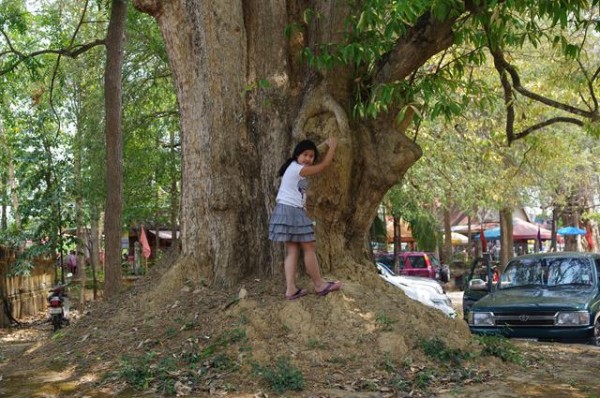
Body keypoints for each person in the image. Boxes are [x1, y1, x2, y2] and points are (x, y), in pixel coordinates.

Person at [268, 138, 342, 300]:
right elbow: (323, 166)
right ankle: (319, 285)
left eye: (311, 156)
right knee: (309, 247)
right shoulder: (298, 169)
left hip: (286, 210)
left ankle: (291, 289)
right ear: (297, 155)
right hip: (291, 211)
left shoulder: (294, 169)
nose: (308, 158)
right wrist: (332, 147)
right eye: (305, 155)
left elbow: (299, 193)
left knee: (293, 250)